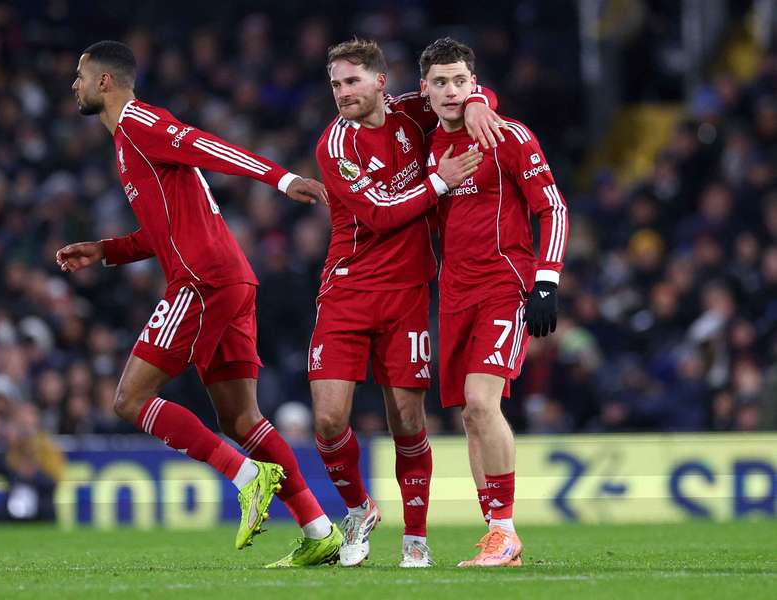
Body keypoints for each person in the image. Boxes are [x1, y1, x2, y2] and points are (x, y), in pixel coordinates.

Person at [57, 40, 341, 566]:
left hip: (201, 283)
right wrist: (106, 251)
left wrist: (282, 178)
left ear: (104, 82)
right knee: (241, 419)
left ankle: (245, 475)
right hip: (229, 281)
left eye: (79, 75)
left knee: (129, 400)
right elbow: (159, 233)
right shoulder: (126, 145)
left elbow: (206, 145)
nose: (72, 84)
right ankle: (319, 529)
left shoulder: (141, 123)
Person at [311, 38, 506, 568]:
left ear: (381, 82)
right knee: (328, 420)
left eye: (353, 81)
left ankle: (415, 540)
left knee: (406, 418)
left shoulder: (409, 112)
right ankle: (359, 508)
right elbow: (378, 215)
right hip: (347, 290)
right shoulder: (336, 146)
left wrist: (479, 102)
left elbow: (454, 91)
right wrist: (442, 180)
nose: (344, 93)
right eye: (335, 85)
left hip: (407, 294)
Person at [421, 38, 568, 567]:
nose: (453, 91)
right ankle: (495, 534)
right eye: (441, 82)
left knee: (483, 403)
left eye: (462, 81)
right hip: (453, 293)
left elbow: (552, 206)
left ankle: (506, 531)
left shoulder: (507, 136)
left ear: (473, 82)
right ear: (425, 90)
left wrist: (546, 281)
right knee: (469, 415)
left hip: (506, 285)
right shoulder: (426, 144)